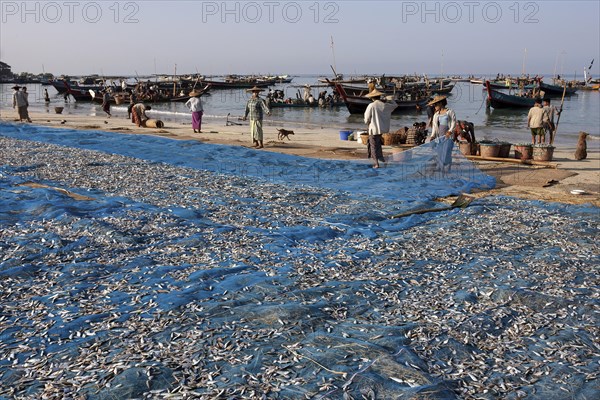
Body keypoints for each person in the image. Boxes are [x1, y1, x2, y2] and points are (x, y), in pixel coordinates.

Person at [363, 89, 398, 168]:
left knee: (373, 146)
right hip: (381, 129)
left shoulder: (371, 105)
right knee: (378, 145)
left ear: (372, 98)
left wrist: (367, 123)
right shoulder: (384, 105)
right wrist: (389, 99)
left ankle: (376, 163)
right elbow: (395, 105)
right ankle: (382, 161)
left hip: (373, 129)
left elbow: (366, 118)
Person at [428, 95, 457, 171]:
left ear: (441, 103)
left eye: (436, 105)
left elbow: (454, 123)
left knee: (447, 152)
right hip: (440, 136)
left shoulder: (450, 112)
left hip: (448, 136)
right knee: (440, 152)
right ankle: (440, 167)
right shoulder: (436, 115)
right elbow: (434, 126)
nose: (434, 107)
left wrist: (450, 131)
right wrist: (432, 136)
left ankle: (447, 168)